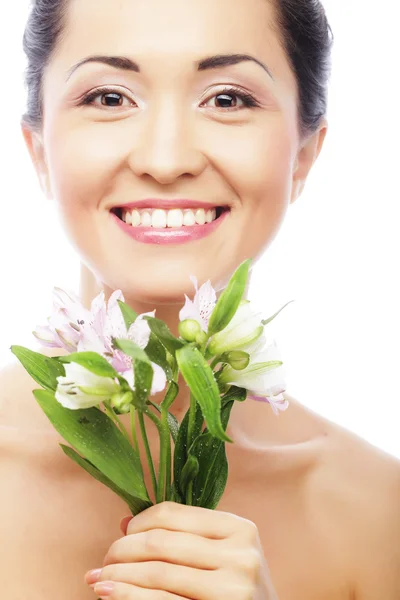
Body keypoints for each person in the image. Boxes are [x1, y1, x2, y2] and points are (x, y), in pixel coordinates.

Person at [0, 0, 399, 598]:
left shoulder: (380, 517)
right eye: (109, 98)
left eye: (228, 99)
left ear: (304, 155)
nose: (167, 160)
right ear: (38, 150)